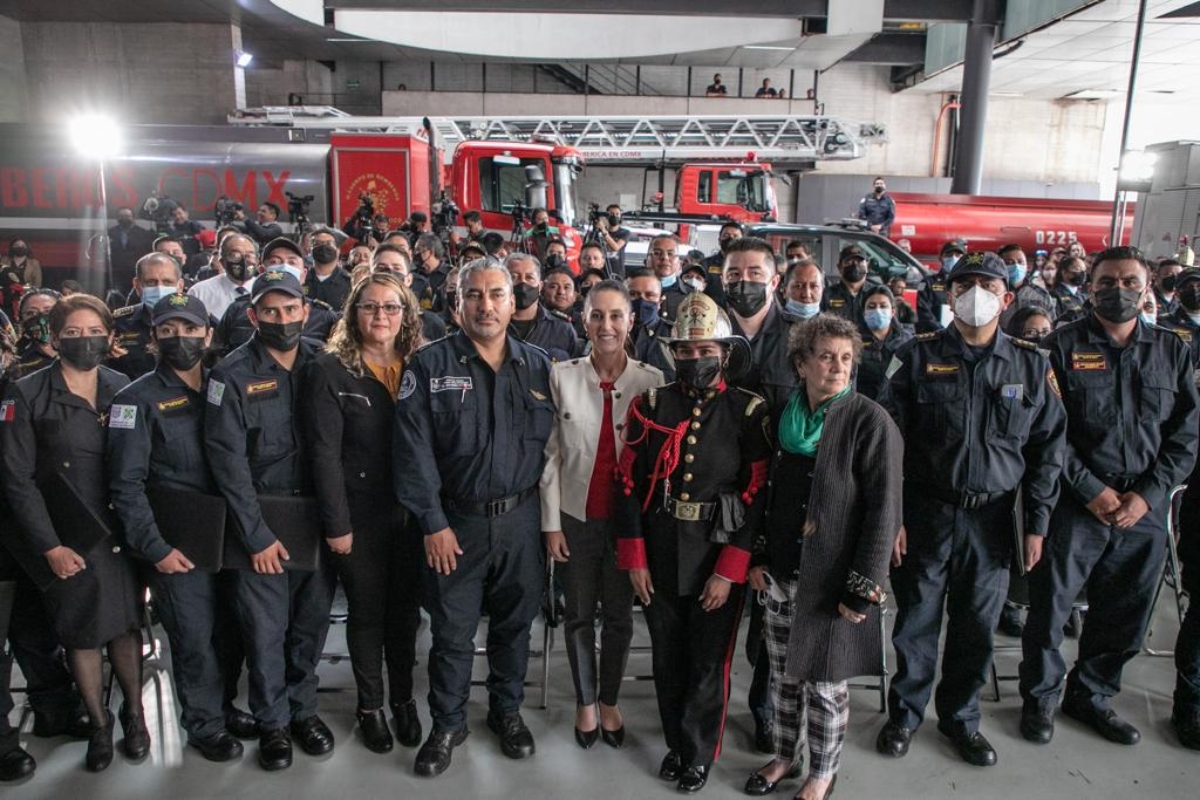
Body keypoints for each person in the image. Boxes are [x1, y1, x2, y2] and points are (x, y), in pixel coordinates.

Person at [877, 251, 1067, 768]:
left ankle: (961, 719)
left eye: (987, 285)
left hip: (995, 520)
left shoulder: (1032, 363)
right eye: (965, 284)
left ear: (1007, 298)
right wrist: (891, 516)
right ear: (948, 294)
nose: (975, 293)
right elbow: (887, 444)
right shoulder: (913, 356)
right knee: (915, 621)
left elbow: (1049, 451)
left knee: (976, 627)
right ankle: (906, 715)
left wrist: (1038, 524)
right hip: (926, 514)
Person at [1018, 246, 1199, 747]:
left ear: (1146, 288)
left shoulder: (1172, 350)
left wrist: (1147, 495)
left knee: (1125, 612)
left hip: (1143, 511)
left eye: (1128, 281)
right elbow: (1047, 432)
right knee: (1051, 611)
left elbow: (1186, 435)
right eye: (1106, 281)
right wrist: (1091, 490)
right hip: (1075, 507)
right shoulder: (1058, 347)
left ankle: (1091, 697)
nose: (1116, 290)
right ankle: (1040, 700)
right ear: (1090, 286)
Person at [394, 257, 555, 778]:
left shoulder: (539, 367)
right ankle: (447, 723)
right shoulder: (428, 366)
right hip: (454, 526)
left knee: (514, 627)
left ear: (514, 301)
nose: (485, 305)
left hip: (521, 522)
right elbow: (412, 453)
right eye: (474, 296)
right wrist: (432, 524)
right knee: (452, 632)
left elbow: (556, 451)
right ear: (456, 302)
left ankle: (506, 712)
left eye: (496, 295)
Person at [615, 291, 771, 794]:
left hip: (716, 549)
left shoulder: (749, 411)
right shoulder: (652, 405)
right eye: (685, 349)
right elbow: (627, 485)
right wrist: (634, 556)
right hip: (660, 546)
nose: (695, 357)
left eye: (705, 349)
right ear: (673, 353)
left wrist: (730, 568)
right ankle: (677, 745)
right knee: (666, 655)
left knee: (708, 660)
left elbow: (757, 494)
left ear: (724, 352)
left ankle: (699, 753)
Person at [745, 313, 902, 800]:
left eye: (846, 359)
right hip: (782, 573)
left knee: (826, 686)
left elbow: (883, 512)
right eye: (826, 357)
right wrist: (760, 556)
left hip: (834, 582)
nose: (837, 367)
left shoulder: (869, 421)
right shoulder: (784, 415)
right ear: (802, 363)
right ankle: (785, 758)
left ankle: (822, 773)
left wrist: (863, 588)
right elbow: (769, 494)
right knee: (785, 677)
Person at [0, 293, 146, 773]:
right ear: (55, 336)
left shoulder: (122, 386)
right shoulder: (28, 392)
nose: (85, 341)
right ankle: (99, 724)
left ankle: (135, 715)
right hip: (67, 537)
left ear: (109, 335)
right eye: (73, 333)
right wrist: (50, 546)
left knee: (126, 626)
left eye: (93, 332)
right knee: (82, 633)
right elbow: (17, 480)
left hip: (120, 531)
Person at [204, 270, 337, 771]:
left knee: (309, 626)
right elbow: (227, 462)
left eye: (290, 309)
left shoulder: (324, 361)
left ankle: (304, 712)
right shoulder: (230, 375)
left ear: (306, 310)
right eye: (271, 311)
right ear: (253, 314)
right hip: (258, 519)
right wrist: (255, 534)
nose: (282, 320)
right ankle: (274, 723)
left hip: (316, 518)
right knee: (264, 632)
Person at [105, 292, 244, 762]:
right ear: (152, 339)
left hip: (230, 537)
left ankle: (222, 708)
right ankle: (204, 725)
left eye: (189, 329)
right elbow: (125, 486)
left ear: (208, 335)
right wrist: (156, 548)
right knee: (193, 638)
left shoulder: (225, 385)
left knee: (231, 631)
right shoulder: (133, 399)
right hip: (175, 546)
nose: (179, 339)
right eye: (167, 331)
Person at [301, 273, 426, 755]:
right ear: (353, 313)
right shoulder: (330, 369)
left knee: (405, 615)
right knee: (368, 613)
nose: (381, 316)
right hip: (359, 518)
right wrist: (338, 527)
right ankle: (370, 706)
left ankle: (403, 699)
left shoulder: (419, 363)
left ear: (406, 315)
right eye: (370, 307)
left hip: (411, 515)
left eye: (391, 308)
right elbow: (323, 455)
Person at [541, 280, 664, 750]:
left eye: (616, 316)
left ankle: (609, 698)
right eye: (597, 316)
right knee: (576, 614)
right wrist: (551, 523)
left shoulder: (651, 382)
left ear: (631, 321)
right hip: (575, 515)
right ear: (583, 320)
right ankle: (585, 700)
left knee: (618, 616)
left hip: (627, 524)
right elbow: (550, 457)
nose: (606, 326)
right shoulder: (562, 376)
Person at [721, 237, 798, 754]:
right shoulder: (703, 328)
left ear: (774, 280)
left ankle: (765, 710)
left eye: (754, 273)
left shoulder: (801, 339)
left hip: (779, 498)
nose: (743, 282)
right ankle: (705, 707)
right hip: (714, 495)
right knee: (714, 606)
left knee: (770, 618)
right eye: (733, 273)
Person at [212, 238, 338, 355]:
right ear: (261, 271)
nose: (284, 267)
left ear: (304, 274)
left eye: (292, 262)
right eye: (274, 261)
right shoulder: (237, 309)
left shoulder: (324, 316)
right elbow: (217, 353)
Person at [110, 253, 185, 380]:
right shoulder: (118, 323)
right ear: (137, 286)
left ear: (180, 286)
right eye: (151, 282)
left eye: (167, 282)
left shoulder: (197, 322)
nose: (159, 288)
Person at [507, 253, 578, 361]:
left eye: (529, 277)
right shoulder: (492, 324)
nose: (523, 283)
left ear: (540, 286)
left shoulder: (562, 328)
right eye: (514, 277)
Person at [855, 285, 913, 401]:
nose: (877, 310)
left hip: (897, 410)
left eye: (883, 306)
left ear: (892, 312)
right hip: (863, 407)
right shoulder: (853, 340)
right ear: (864, 312)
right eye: (871, 307)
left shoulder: (907, 341)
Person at [188, 233, 259, 322]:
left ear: (257, 260)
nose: (243, 260)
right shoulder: (199, 292)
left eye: (249, 255)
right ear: (222, 262)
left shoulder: (265, 290)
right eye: (235, 255)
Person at [627, 268, 675, 381]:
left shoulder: (673, 335)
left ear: (660, 301)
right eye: (633, 294)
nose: (641, 301)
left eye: (650, 295)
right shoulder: (612, 333)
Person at [998, 243, 1057, 328]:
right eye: (1010, 262)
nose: (1016, 266)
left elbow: (1052, 325)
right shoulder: (994, 293)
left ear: (1027, 265)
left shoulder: (1040, 294)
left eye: (1020, 262)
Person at [915, 240, 965, 333]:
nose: (953, 258)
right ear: (940, 258)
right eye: (949, 255)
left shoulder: (969, 284)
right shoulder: (927, 282)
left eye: (958, 255)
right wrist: (941, 330)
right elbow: (923, 311)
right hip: (933, 336)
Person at [108, 208, 157, 292]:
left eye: (127, 216)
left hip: (137, 272)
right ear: (117, 218)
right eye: (121, 216)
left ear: (133, 218)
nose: (124, 218)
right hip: (116, 273)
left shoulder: (144, 233)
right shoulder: (110, 232)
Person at [824, 245, 875, 322]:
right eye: (848, 262)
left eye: (859, 262)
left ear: (867, 266)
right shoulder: (827, 295)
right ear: (839, 267)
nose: (854, 266)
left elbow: (894, 330)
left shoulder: (877, 293)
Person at [306, 228, 353, 311]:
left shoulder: (350, 281)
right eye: (318, 244)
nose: (323, 247)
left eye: (329, 243)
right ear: (310, 250)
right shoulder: (301, 279)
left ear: (338, 250)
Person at [14, 289, 59, 375]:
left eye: (48, 311)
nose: (41, 319)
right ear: (21, 319)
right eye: (31, 313)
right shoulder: (17, 360)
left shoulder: (79, 351)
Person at [703, 222, 743, 308]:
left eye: (735, 236)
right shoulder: (705, 265)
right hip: (712, 315)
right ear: (719, 240)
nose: (731, 238)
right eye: (726, 235)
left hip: (740, 316)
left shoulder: (749, 265)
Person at [649, 234, 687, 322]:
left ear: (680, 264)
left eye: (671, 254)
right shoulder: (632, 293)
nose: (665, 258)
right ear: (647, 260)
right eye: (657, 253)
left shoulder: (691, 296)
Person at [542, 267, 584, 339]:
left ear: (575, 295)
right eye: (553, 287)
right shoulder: (534, 319)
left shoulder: (584, 323)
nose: (561, 292)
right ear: (542, 292)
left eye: (566, 287)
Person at [594, 205, 631, 278]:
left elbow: (616, 247)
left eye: (617, 214)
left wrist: (604, 231)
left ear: (620, 216)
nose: (614, 216)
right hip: (601, 272)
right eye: (611, 214)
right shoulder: (598, 233)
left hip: (617, 273)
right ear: (607, 216)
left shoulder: (625, 233)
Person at [1052, 256, 1089, 322]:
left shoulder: (1083, 296)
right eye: (1077, 269)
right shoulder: (1054, 295)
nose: (1082, 273)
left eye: (1084, 270)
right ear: (1064, 272)